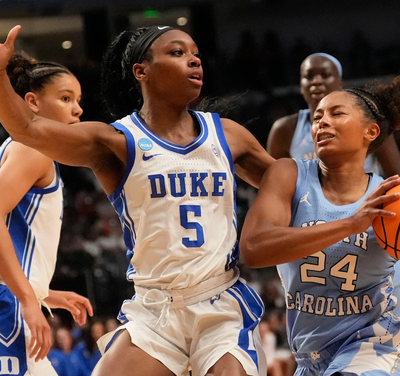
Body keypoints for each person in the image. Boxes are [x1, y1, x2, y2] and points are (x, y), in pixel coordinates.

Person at [0, 25, 275, 376]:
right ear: (141, 71)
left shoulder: (228, 135)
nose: (193, 60)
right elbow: (27, 129)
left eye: (195, 54)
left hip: (219, 302)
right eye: (177, 53)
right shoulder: (117, 140)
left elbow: (287, 187)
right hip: (155, 308)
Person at [240, 78, 400, 375]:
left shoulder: (391, 199)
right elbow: (253, 248)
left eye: (336, 113)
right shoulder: (289, 174)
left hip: (375, 342)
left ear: (371, 131)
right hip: (309, 355)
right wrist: (350, 224)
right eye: (317, 118)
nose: (322, 122)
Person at [0, 50, 94, 375]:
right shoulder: (32, 150)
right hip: (10, 305)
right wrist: (28, 298)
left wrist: (44, 294)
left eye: (78, 100)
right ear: (33, 102)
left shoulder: (17, 149)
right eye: (66, 98)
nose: (77, 109)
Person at [266, 52, 400, 177]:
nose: (316, 81)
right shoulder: (284, 129)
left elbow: (396, 175)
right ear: (301, 85)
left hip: (366, 193)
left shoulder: (369, 120)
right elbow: (271, 180)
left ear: (341, 82)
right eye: (309, 76)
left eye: (325, 75)